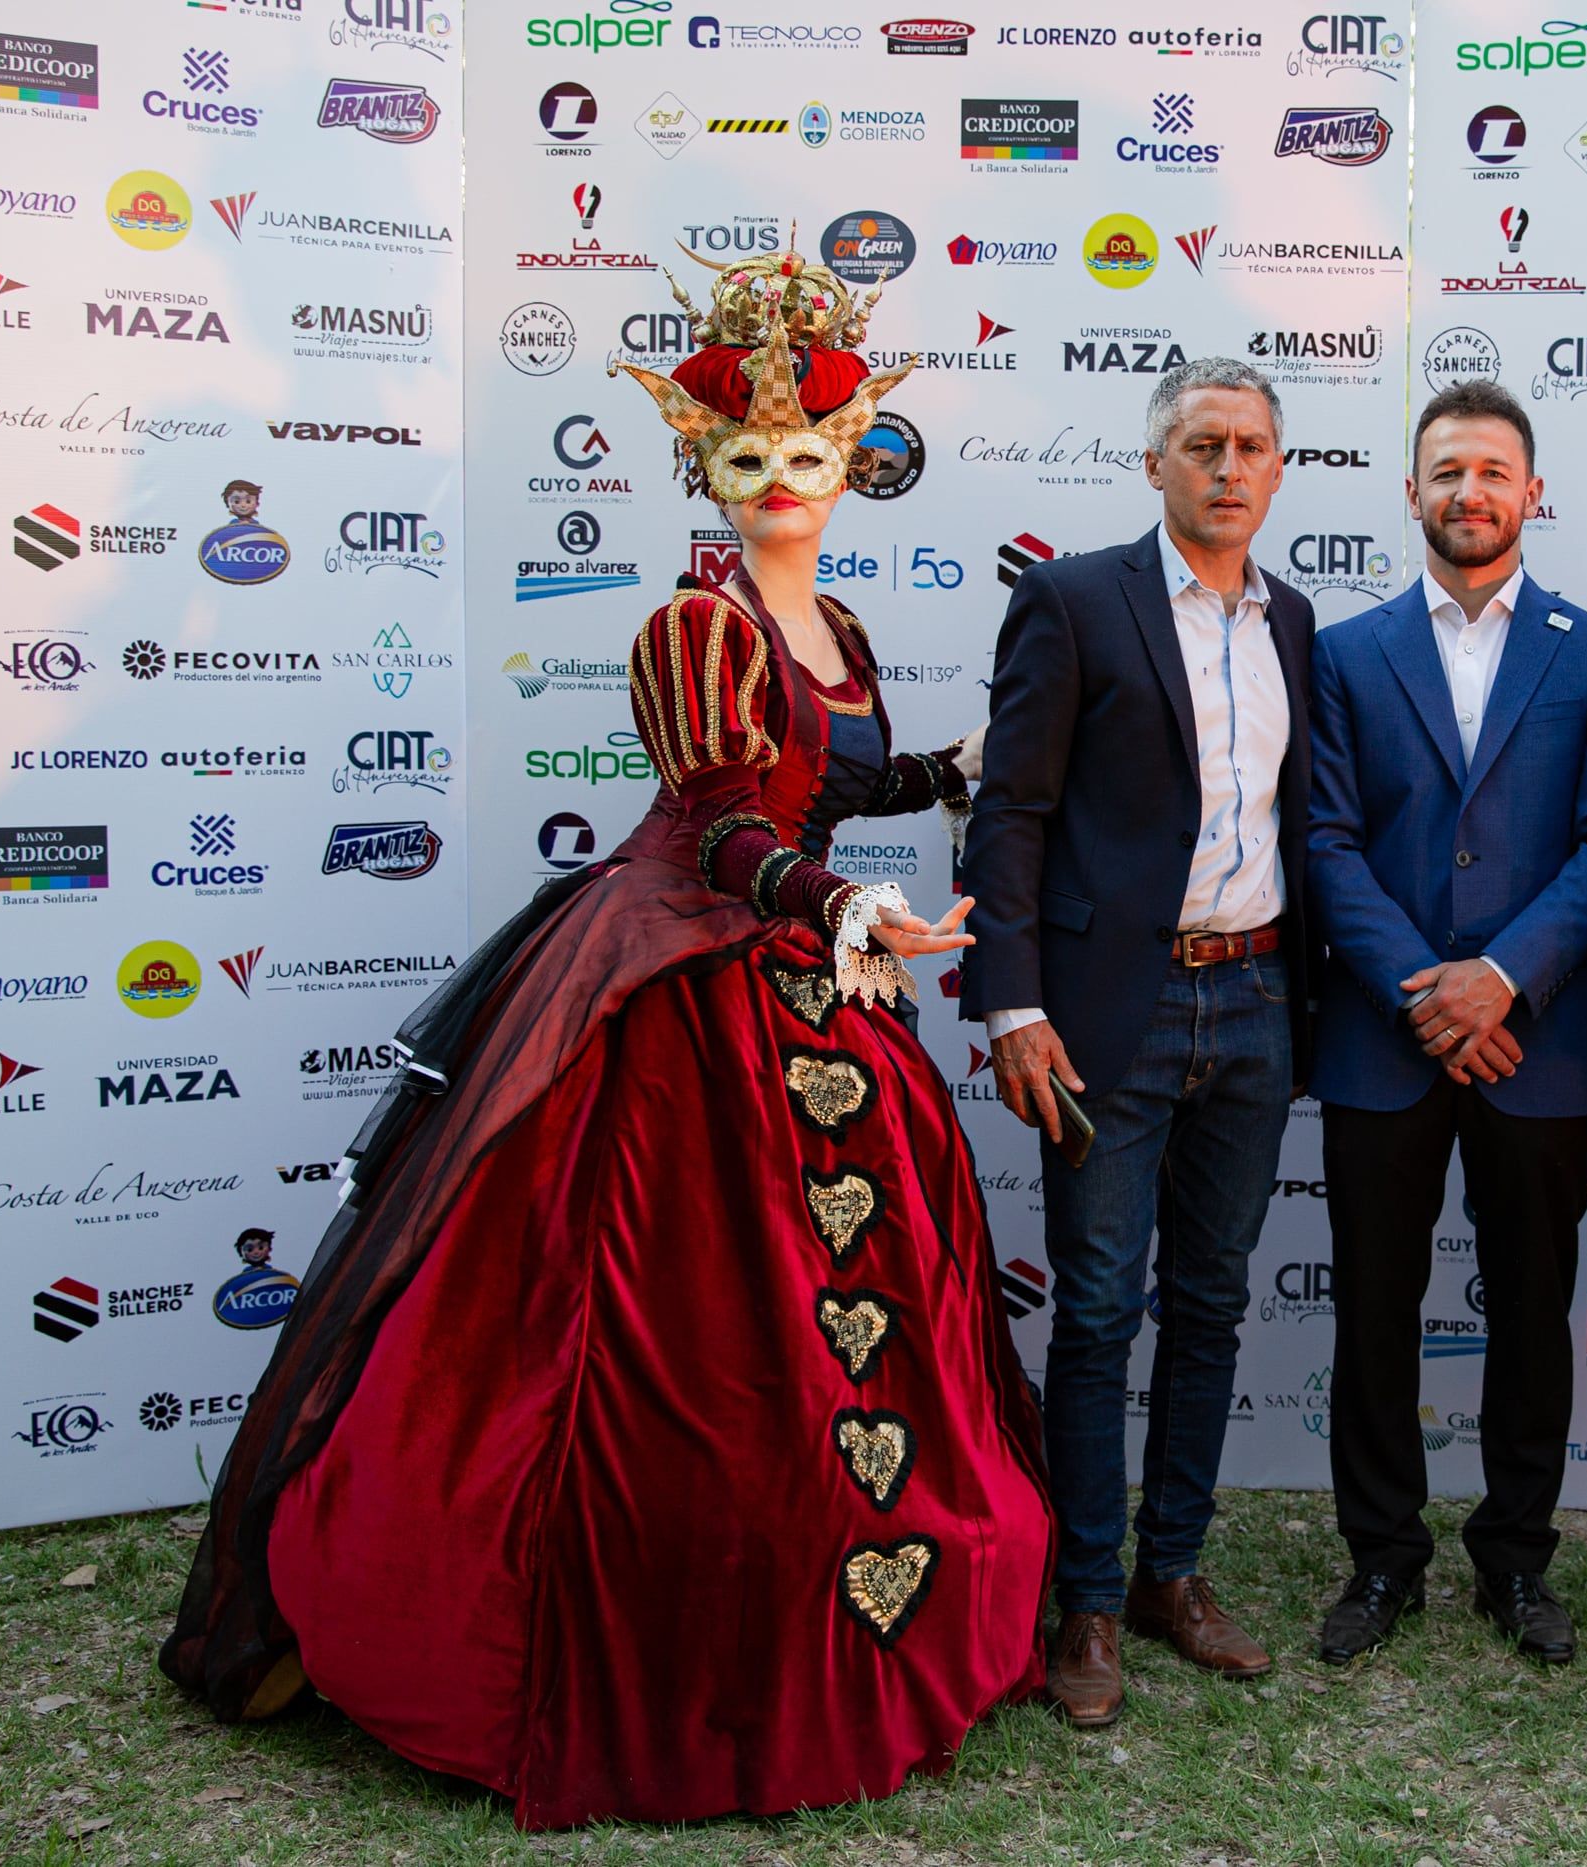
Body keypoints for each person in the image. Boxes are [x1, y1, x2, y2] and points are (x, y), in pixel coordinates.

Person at [161, 236, 1049, 1830]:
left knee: (854, 1301)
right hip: (681, 978)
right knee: (669, 1313)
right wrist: (842, 910)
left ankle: (866, 1592)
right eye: (744, 457)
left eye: (806, 455)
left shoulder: (839, 627)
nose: (778, 481)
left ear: (853, 465)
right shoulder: (693, 629)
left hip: (800, 952)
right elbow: (717, 828)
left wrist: (951, 773)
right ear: (700, 468)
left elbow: (831, 784)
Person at [962, 357, 1315, 1727]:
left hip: (1261, 999)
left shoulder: (1294, 621)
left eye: (1254, 448)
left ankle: (1174, 1571)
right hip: (1113, 1011)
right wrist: (1014, 1000)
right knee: (1102, 1308)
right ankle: (1089, 1599)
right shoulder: (1071, 599)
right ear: (1157, 462)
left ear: (1281, 471)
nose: (1230, 468)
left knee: (1214, 1302)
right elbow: (1011, 811)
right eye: (1204, 444)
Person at [1304, 381, 1587, 1667]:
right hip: (1382, 1041)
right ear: (1410, 492)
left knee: (1531, 1310)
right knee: (1373, 1313)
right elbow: (1326, 843)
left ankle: (1516, 1560)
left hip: (1538, 1041)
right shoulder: (1341, 652)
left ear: (1532, 491)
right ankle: (1382, 1560)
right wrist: (1430, 993)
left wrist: (1500, 978)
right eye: (1446, 471)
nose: (1470, 493)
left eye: (1494, 471)